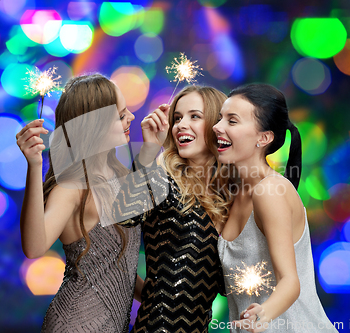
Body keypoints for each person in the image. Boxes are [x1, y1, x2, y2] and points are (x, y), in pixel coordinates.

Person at [16, 74, 143, 333]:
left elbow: (120, 268)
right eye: (120, 116)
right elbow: (34, 247)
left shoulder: (121, 175)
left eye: (127, 110)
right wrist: (34, 166)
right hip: (75, 325)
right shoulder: (72, 187)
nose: (131, 117)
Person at [213, 83, 338, 332]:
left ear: (264, 138)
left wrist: (263, 314)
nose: (217, 127)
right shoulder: (231, 192)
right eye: (220, 118)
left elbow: (290, 282)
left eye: (232, 121)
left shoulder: (269, 191)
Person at [112, 86, 233, 333]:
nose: (180, 125)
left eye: (194, 116)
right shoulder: (162, 180)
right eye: (177, 118)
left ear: (217, 126)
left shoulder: (231, 197)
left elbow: (225, 285)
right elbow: (124, 216)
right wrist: (148, 149)